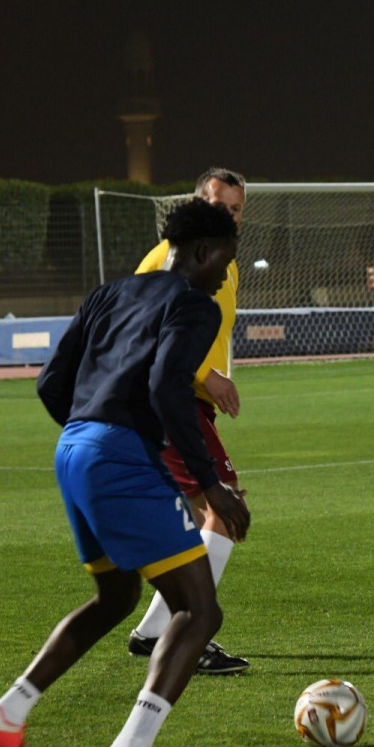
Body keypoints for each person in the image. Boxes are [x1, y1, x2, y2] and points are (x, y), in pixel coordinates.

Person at [0, 198, 251, 747]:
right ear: (203, 252)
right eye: (224, 264)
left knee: (115, 598)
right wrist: (210, 486)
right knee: (198, 611)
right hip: (118, 457)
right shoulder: (194, 305)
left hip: (73, 448)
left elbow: (52, 381)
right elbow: (167, 386)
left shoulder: (111, 292)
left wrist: (90, 435)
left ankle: (7, 714)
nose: (224, 276)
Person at [127, 167, 250, 674]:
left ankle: (156, 630)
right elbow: (144, 326)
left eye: (237, 209)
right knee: (226, 509)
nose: (229, 216)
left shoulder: (227, 262)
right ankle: (186, 632)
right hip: (170, 398)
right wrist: (207, 376)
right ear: (200, 202)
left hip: (185, 399)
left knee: (209, 514)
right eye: (221, 206)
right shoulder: (167, 258)